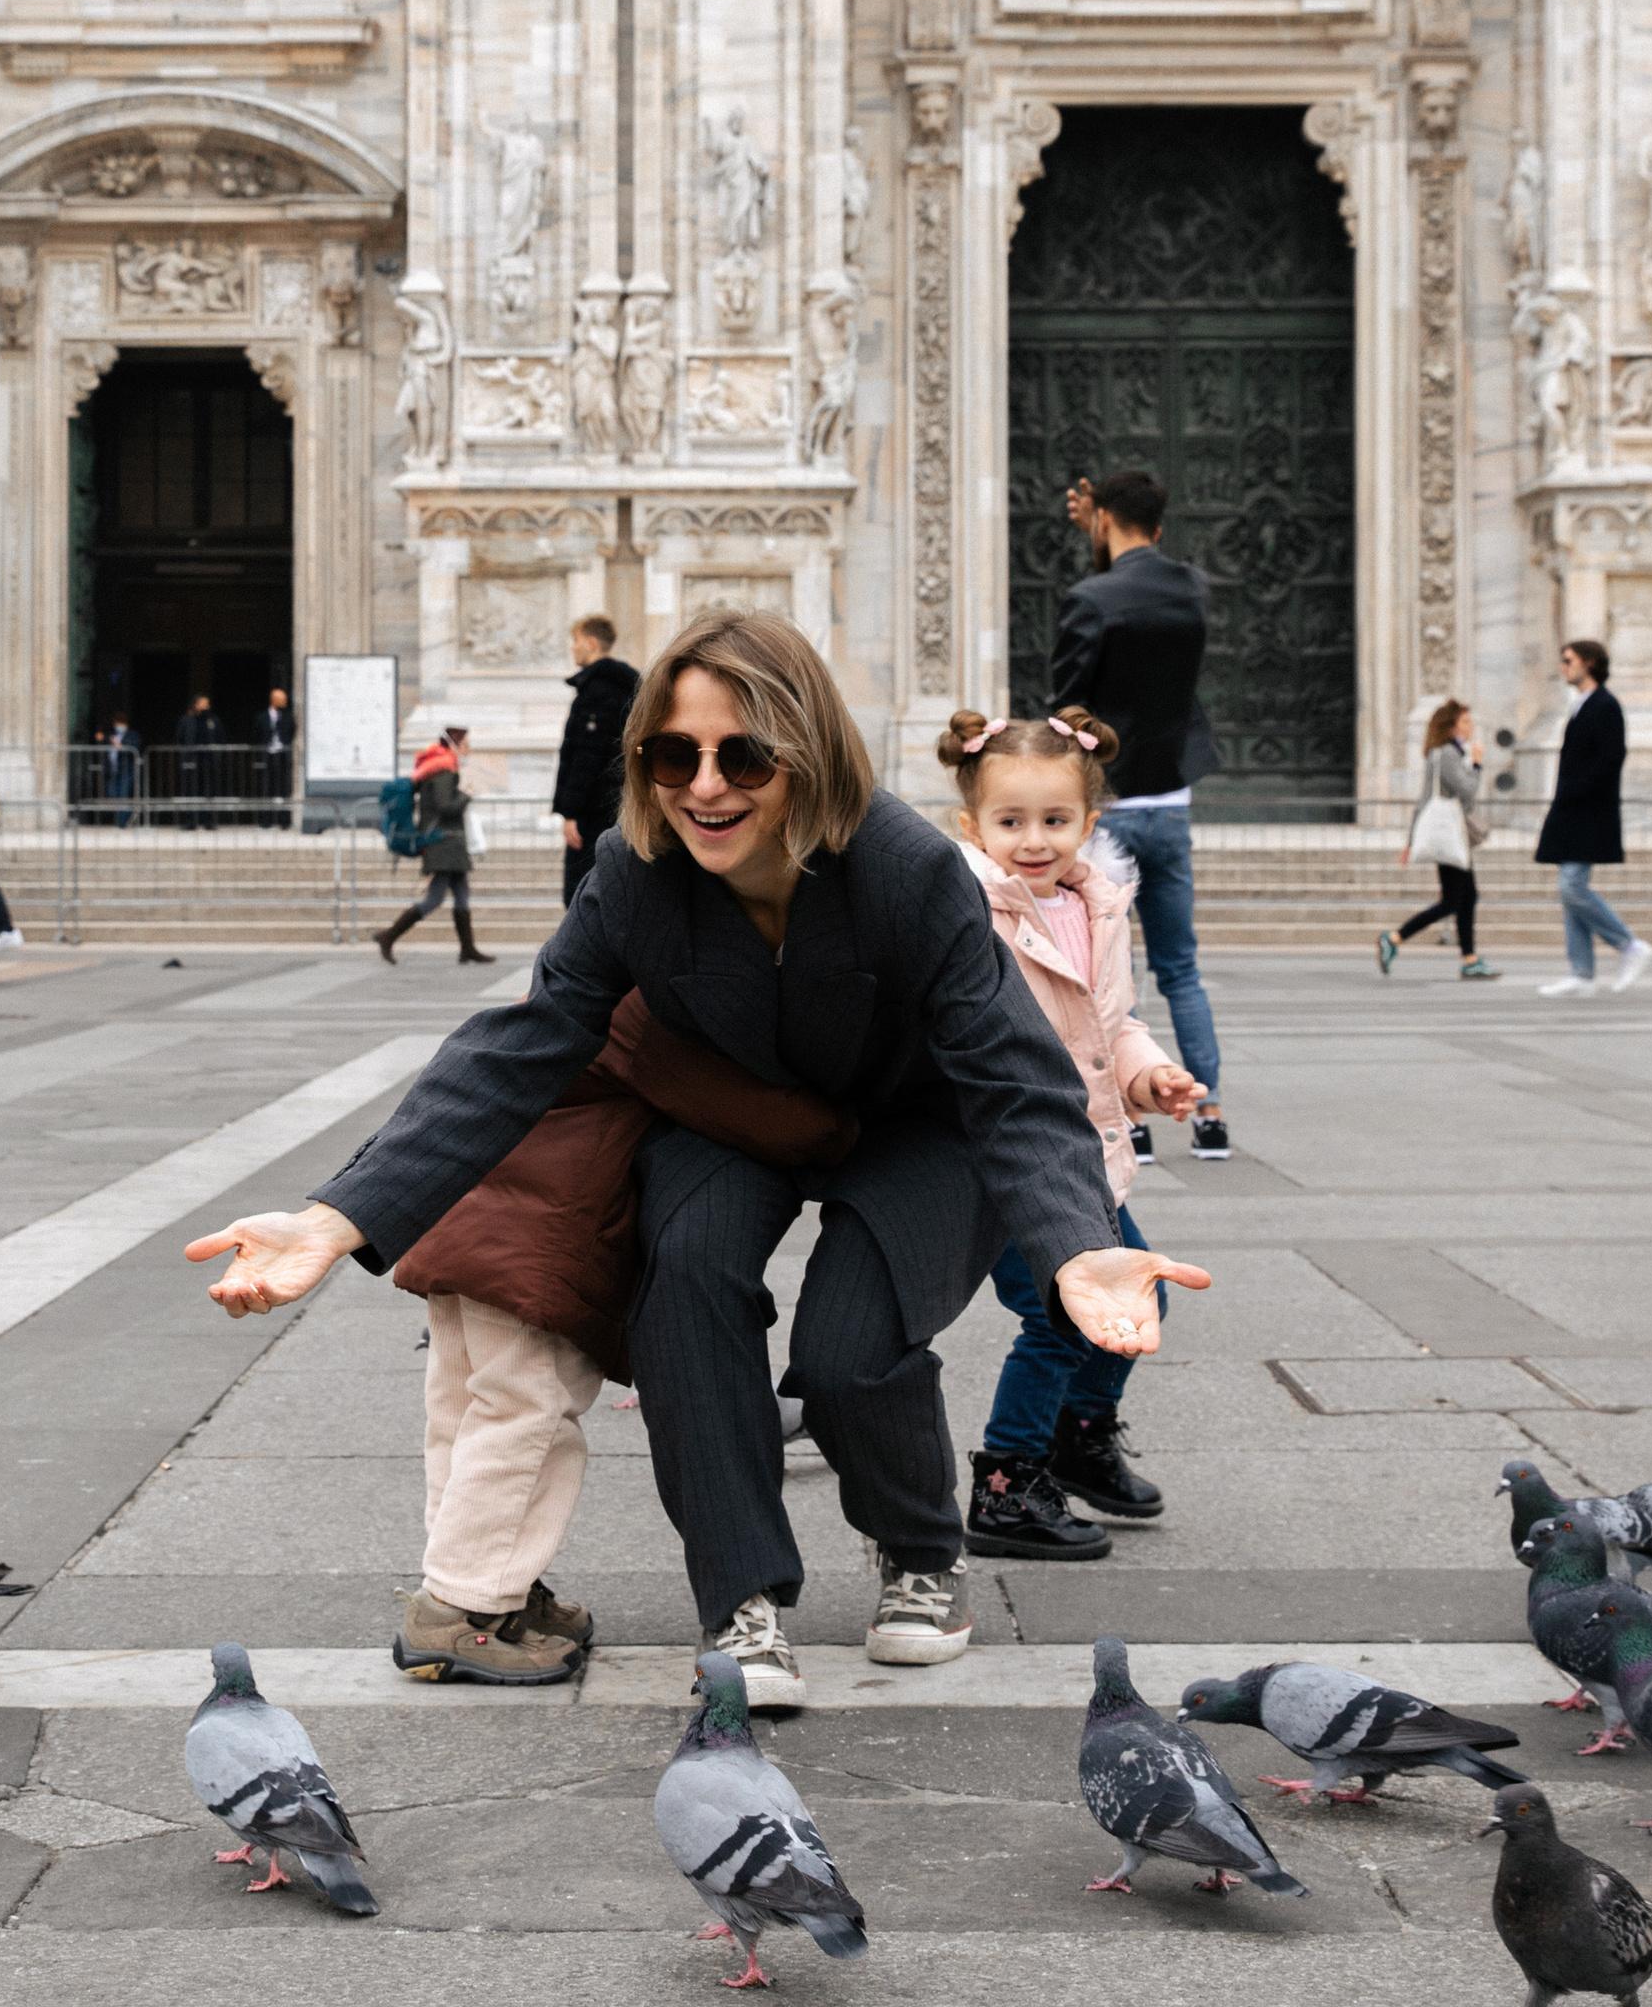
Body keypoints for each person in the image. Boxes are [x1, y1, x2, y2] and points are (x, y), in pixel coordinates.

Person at [189, 611, 1206, 1708]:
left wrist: (1075, 1242)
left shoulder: (907, 868)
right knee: (687, 1291)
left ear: (805, 754)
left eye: (743, 756)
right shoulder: (636, 869)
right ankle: (740, 1598)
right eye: (674, 755)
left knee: (852, 1349)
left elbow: (1015, 1077)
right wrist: (334, 1218)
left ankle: (919, 1553)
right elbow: (520, 1044)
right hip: (731, 1112)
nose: (705, 787)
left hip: (915, 1122)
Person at [385, 994, 851, 1680]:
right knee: (528, 1417)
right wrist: (845, 1128)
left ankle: (473, 1586)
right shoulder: (640, 1008)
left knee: (463, 1417)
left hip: (468, 1224)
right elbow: (752, 1111)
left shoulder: (567, 997)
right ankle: (466, 1609)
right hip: (538, 1245)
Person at [940, 707, 1206, 1563]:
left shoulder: (1096, 907)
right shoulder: (967, 913)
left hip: (1090, 1152)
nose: (1033, 840)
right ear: (970, 825)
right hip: (1010, 1157)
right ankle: (1007, 1485)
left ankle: (1078, 1436)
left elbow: (1111, 1023)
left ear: (1088, 824)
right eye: (1010, 821)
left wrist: (1149, 1075)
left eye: (1054, 821)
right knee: (1063, 1320)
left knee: (1143, 1299)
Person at [1052, 469, 1228, 1165]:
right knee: (1181, 964)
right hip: (1173, 797)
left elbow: (1070, 706)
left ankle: (1131, 1113)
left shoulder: (1090, 599)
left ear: (1101, 518)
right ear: (1159, 523)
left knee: (1107, 971)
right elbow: (1140, 585)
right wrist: (1101, 531)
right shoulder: (1193, 587)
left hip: (1111, 805)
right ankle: (1209, 1114)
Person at [1533, 638, 1651, 998]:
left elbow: (1612, 757)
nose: (1562, 666)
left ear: (1588, 663)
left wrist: (1577, 790)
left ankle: (1630, 946)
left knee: (1572, 885)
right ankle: (1582, 973)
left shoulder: (1605, 705)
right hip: (1573, 809)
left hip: (1588, 809)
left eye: (1568, 660)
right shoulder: (1580, 705)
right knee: (1570, 890)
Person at [1378, 700, 1502, 983]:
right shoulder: (1447, 755)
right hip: (1450, 837)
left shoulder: (1445, 753)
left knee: (1466, 897)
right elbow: (1468, 791)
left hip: (1452, 836)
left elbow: (1422, 801)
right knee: (1452, 901)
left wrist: (1411, 841)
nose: (1471, 726)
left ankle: (1470, 960)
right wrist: (1478, 763)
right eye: (1466, 722)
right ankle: (1394, 938)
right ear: (1452, 727)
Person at [375, 725, 493, 966]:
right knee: (435, 898)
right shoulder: (444, 770)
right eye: (465, 745)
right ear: (455, 745)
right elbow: (445, 806)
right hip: (443, 842)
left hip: (448, 842)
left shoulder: (439, 767)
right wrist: (466, 795)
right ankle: (389, 936)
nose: (468, 749)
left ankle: (468, 948)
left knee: (461, 893)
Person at [554, 614, 639, 907]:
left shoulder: (598, 691)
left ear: (591, 643)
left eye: (575, 640)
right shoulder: (623, 688)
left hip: (593, 812)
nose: (572, 648)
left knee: (583, 894)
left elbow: (587, 756)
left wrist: (571, 813)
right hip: (616, 806)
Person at [175, 691, 222, 829]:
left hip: (208, 762)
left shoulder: (213, 721)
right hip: (191, 762)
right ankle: (190, 821)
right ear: (196, 705)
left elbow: (220, 738)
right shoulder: (186, 721)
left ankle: (208, 821)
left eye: (207, 704)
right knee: (190, 791)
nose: (207, 706)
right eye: (203, 704)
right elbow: (179, 739)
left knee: (208, 791)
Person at [255, 684, 296, 827]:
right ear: (274, 700)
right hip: (267, 755)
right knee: (267, 788)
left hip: (282, 754)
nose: (284, 702)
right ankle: (265, 820)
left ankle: (284, 820)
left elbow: (291, 732)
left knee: (283, 789)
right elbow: (257, 734)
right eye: (281, 699)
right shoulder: (262, 717)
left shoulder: (287, 717)